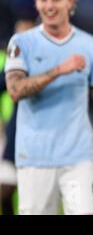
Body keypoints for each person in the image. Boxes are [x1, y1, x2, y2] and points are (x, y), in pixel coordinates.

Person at [4, 0, 93, 215]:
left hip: (79, 158)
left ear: (70, 1)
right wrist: (59, 70)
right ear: (36, 2)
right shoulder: (21, 43)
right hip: (34, 158)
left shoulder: (91, 46)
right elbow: (15, 90)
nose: (49, 5)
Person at [0, 19, 36, 215]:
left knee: (34, 200)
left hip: (39, 139)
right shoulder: (13, 67)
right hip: (15, 136)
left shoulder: (46, 62)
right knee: (5, 190)